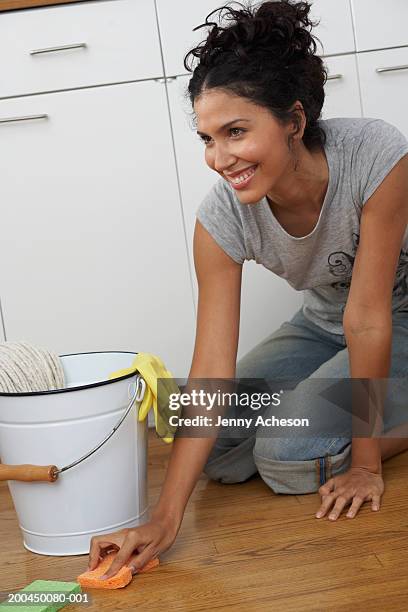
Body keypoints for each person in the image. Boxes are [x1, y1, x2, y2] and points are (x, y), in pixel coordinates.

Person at [88, 0, 408, 579]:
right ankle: (322, 415)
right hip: (322, 323)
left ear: (293, 120)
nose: (219, 159)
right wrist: (165, 518)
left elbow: (368, 318)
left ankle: (374, 428)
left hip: (397, 315)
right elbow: (211, 368)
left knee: (283, 457)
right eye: (208, 138)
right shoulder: (221, 220)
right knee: (213, 428)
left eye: (236, 131)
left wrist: (365, 465)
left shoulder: (375, 155)